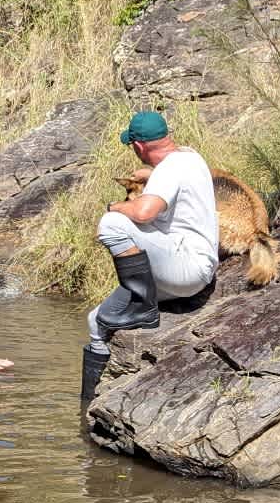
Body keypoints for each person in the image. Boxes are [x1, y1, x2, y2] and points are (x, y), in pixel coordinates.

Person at [82, 111, 218, 401]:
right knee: (98, 320)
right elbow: (174, 178)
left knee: (112, 224)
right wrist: (152, 175)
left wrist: (115, 206)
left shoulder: (170, 169)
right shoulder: (189, 157)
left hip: (188, 267)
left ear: (139, 146)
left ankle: (143, 308)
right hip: (186, 268)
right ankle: (87, 403)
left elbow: (144, 212)